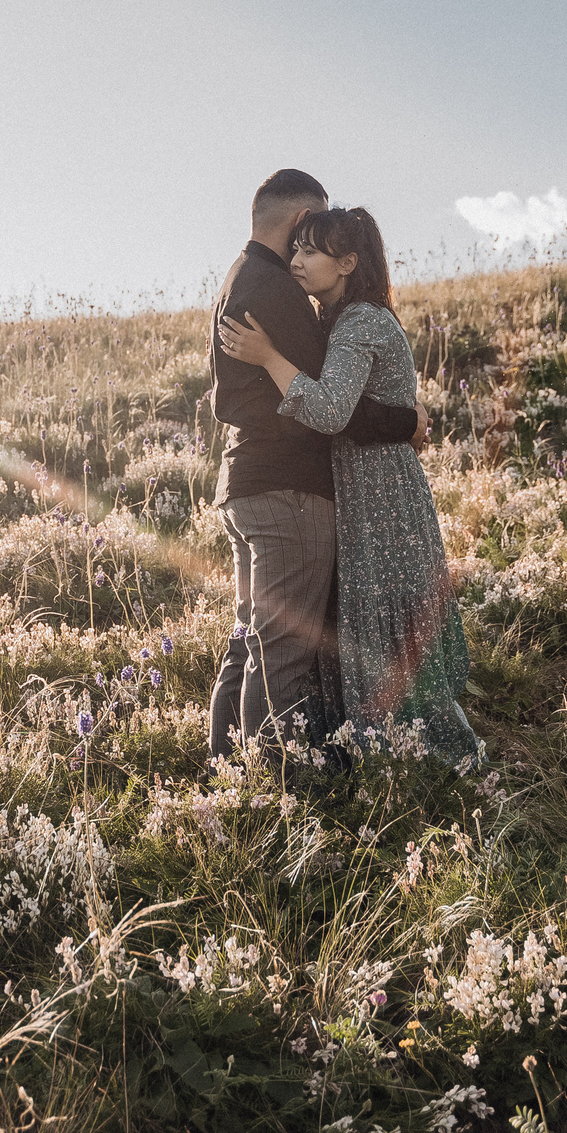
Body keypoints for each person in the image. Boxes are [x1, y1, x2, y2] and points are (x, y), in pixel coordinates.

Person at [219, 205, 481, 766]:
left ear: (347, 264)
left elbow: (331, 410)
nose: (296, 260)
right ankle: (368, 753)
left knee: (382, 623)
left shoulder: (360, 321)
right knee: (360, 624)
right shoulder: (340, 320)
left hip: (380, 493)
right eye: (297, 247)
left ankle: (411, 755)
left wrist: (269, 357)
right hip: (363, 489)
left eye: (311, 251)